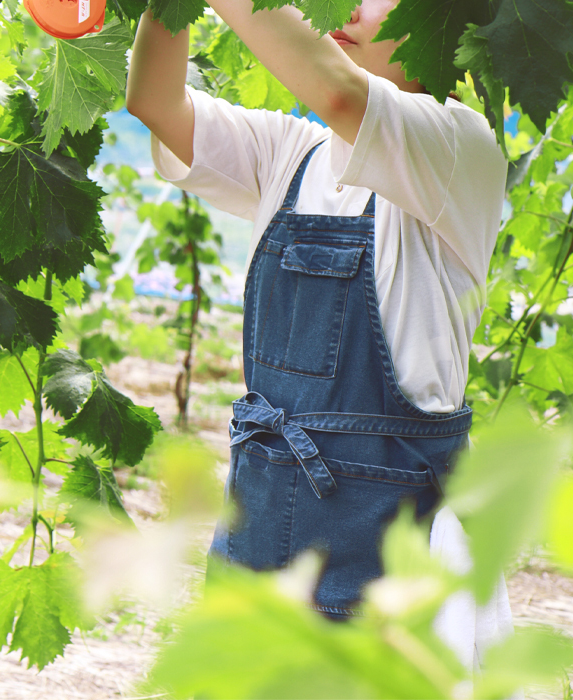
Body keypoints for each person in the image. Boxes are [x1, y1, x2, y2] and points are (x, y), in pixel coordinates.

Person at [126, 0, 511, 671]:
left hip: (387, 557)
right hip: (260, 529)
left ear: (448, 25)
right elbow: (155, 102)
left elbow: (337, 90)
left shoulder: (460, 148)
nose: (350, 5)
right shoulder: (291, 154)